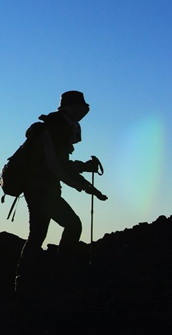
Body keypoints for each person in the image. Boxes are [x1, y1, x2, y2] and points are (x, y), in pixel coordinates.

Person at [15, 90, 107, 291]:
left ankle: (24, 280)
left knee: (38, 234)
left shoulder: (57, 126)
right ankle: (58, 270)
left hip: (39, 189)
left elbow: (58, 163)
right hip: (43, 191)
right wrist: (86, 186)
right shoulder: (58, 128)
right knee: (71, 225)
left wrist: (83, 169)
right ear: (75, 109)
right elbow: (56, 165)